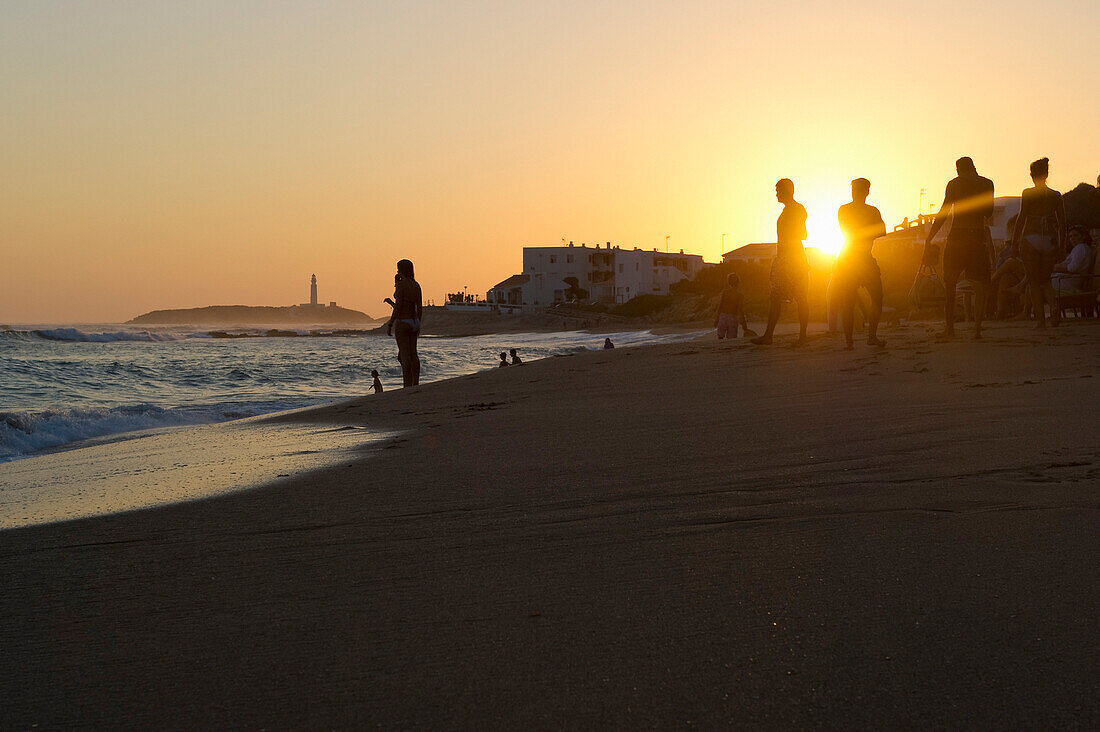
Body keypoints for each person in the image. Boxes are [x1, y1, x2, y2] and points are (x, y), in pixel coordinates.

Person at [924, 157, 995, 339]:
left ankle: (950, 330)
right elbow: (988, 213)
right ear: (974, 167)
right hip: (977, 236)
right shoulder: (987, 183)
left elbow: (944, 212)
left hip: (957, 236)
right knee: (980, 284)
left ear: (958, 170)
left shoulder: (954, 184)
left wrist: (930, 237)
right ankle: (977, 330)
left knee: (950, 283)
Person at [1010, 158, 1067, 329]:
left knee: (1034, 282)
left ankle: (1041, 321)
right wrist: (1062, 246)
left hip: (1031, 237)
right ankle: (1054, 306)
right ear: (1047, 174)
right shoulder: (1056, 196)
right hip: (1049, 240)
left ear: (1032, 175)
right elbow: (1063, 224)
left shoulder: (1028, 193)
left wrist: (1014, 242)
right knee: (1045, 280)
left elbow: (1021, 219)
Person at [752, 179, 809, 346]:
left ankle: (802, 337)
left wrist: (787, 257)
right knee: (776, 298)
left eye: (778, 190)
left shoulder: (797, 209)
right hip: (784, 259)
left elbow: (803, 234)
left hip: (794, 259)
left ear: (787, 190)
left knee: (800, 298)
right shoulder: (787, 210)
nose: (776, 193)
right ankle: (769, 335)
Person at [835, 178, 887, 349]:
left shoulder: (871, 211)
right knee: (848, 301)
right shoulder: (846, 210)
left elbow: (881, 231)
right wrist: (867, 230)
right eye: (854, 189)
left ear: (866, 192)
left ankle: (869, 337)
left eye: (857, 189)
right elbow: (848, 230)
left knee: (876, 298)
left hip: (859, 258)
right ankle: (851, 340)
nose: (855, 192)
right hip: (850, 258)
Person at [385, 259, 422, 387]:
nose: (397, 271)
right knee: (413, 353)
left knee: (405, 354)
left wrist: (390, 323)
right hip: (414, 321)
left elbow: (399, 306)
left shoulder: (401, 285)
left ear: (401, 270)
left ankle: (407, 385)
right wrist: (418, 324)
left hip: (403, 322)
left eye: (398, 268)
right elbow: (420, 307)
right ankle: (415, 383)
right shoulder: (416, 285)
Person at [1052, 226, 1094, 292]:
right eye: (1070, 236)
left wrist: (1055, 267)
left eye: (1075, 235)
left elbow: (1072, 268)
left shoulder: (1081, 247)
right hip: (1072, 278)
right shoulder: (1079, 248)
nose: (1072, 238)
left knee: (1040, 282)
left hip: (1072, 281)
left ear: (1083, 236)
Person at [714, 273, 749, 339]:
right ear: (738, 283)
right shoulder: (739, 295)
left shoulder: (725, 293)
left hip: (723, 316)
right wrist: (744, 325)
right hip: (732, 318)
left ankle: (720, 347)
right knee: (731, 339)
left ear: (728, 282)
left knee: (720, 337)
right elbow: (740, 310)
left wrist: (717, 318)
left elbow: (720, 306)